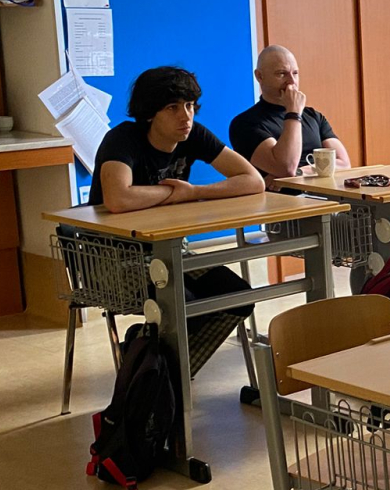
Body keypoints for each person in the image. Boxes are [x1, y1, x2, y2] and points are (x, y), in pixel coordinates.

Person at [89, 66, 262, 375]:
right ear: (149, 114)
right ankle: (154, 369)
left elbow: (253, 180)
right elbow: (117, 199)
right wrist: (172, 193)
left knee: (238, 296)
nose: (186, 116)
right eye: (173, 108)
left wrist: (194, 192)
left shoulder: (193, 135)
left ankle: (158, 367)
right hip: (112, 259)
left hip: (169, 253)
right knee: (183, 304)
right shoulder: (123, 138)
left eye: (190, 105)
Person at [228, 45, 352, 182]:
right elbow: (286, 168)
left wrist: (300, 172)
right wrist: (293, 112)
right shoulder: (244, 124)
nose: (292, 81)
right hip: (282, 196)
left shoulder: (314, 116)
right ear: (260, 76)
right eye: (282, 74)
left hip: (324, 193)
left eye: (295, 73)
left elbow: (343, 163)